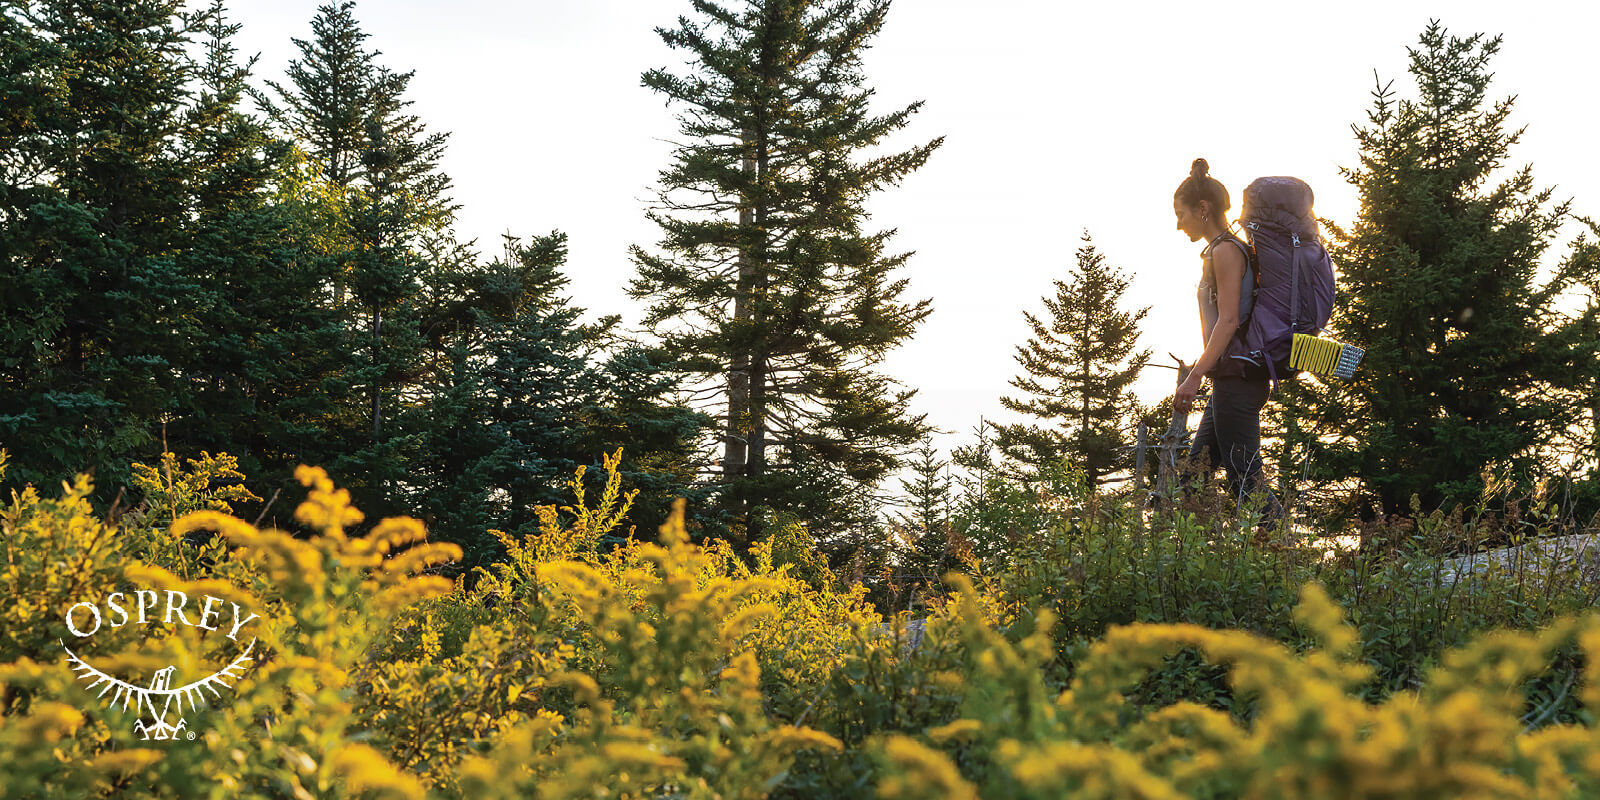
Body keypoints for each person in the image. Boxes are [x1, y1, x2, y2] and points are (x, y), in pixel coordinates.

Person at [1171, 158, 1284, 527]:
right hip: (1229, 380)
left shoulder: (1225, 251)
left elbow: (1230, 320)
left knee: (1245, 480)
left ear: (1202, 209)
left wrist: (1194, 376)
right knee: (1192, 479)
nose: (1179, 223)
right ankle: (1204, 568)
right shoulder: (1222, 249)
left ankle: (1281, 558)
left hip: (1238, 381)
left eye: (1181, 213)